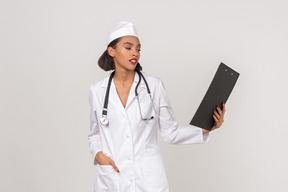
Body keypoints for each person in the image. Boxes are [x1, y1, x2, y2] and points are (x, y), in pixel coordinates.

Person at [88, 21, 225, 192]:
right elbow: (95, 134)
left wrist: (206, 128)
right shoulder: (97, 91)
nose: (135, 53)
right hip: (113, 178)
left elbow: (170, 133)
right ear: (112, 51)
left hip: (149, 178)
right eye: (128, 47)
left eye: (138, 49)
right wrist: (99, 155)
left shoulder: (154, 86)